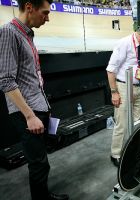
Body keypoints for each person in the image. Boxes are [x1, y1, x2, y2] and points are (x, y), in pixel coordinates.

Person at [0, 0, 69, 199]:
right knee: (38, 163)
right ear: (29, 7)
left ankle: (44, 195)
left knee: (41, 161)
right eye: (45, 13)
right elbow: (5, 81)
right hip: (27, 112)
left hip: (38, 106)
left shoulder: (27, 34)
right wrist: (30, 116)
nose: (47, 18)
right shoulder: (9, 32)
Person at [106, 22, 140, 167]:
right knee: (122, 123)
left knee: (138, 121)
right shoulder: (124, 43)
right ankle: (116, 154)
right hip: (123, 87)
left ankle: (133, 150)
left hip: (139, 88)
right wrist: (114, 92)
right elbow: (111, 70)